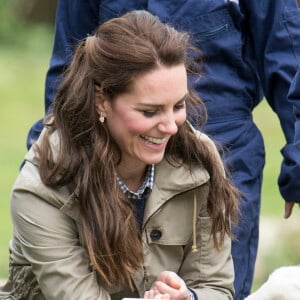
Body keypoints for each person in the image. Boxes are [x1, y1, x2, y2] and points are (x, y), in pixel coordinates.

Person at [25, 1, 300, 299]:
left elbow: (288, 51)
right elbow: (69, 69)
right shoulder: (44, 189)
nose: (167, 125)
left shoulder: (207, 163)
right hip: (109, 164)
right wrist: (59, 168)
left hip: (224, 152)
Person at [0, 11, 240, 300]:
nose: (169, 127)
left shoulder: (199, 162)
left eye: (177, 106)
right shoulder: (42, 187)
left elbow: (216, 287)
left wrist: (188, 297)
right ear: (102, 102)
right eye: (149, 111)